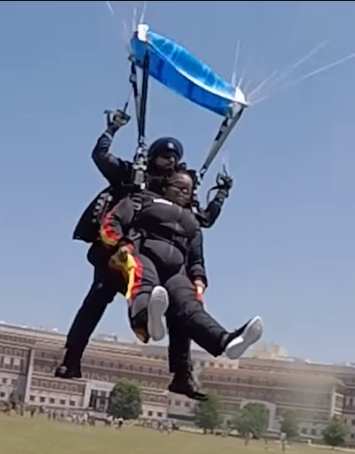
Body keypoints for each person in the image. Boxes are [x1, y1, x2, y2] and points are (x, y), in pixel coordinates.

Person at [56, 111, 231, 392]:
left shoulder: (180, 190)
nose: (169, 162)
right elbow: (101, 157)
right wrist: (111, 129)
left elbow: (203, 220)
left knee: (179, 312)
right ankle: (71, 359)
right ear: (153, 156)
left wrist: (220, 196)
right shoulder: (132, 174)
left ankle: (182, 376)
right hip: (119, 250)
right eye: (164, 156)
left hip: (157, 257)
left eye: (173, 159)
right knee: (97, 299)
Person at [99, 167, 264, 367]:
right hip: (144, 254)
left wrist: (199, 280)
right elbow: (112, 221)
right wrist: (121, 243)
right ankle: (146, 320)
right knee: (143, 278)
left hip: (177, 270)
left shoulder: (192, 221)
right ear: (166, 186)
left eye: (188, 190)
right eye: (179, 187)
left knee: (189, 304)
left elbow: (196, 257)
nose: (183, 192)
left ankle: (225, 341)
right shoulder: (143, 200)